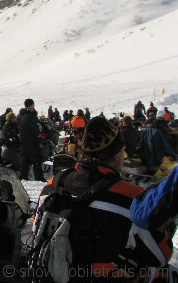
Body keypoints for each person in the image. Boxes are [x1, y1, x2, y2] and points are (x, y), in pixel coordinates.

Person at [35, 116, 173, 280]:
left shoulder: (56, 181)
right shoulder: (133, 197)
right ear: (116, 156)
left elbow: (38, 225)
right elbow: (161, 254)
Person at [18, 99, 46, 182]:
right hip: (31, 140)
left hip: (23, 140)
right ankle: (39, 177)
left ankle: (23, 177)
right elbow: (35, 129)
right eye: (33, 105)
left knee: (25, 160)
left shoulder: (21, 115)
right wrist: (39, 134)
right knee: (36, 159)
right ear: (31, 105)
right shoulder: (31, 116)